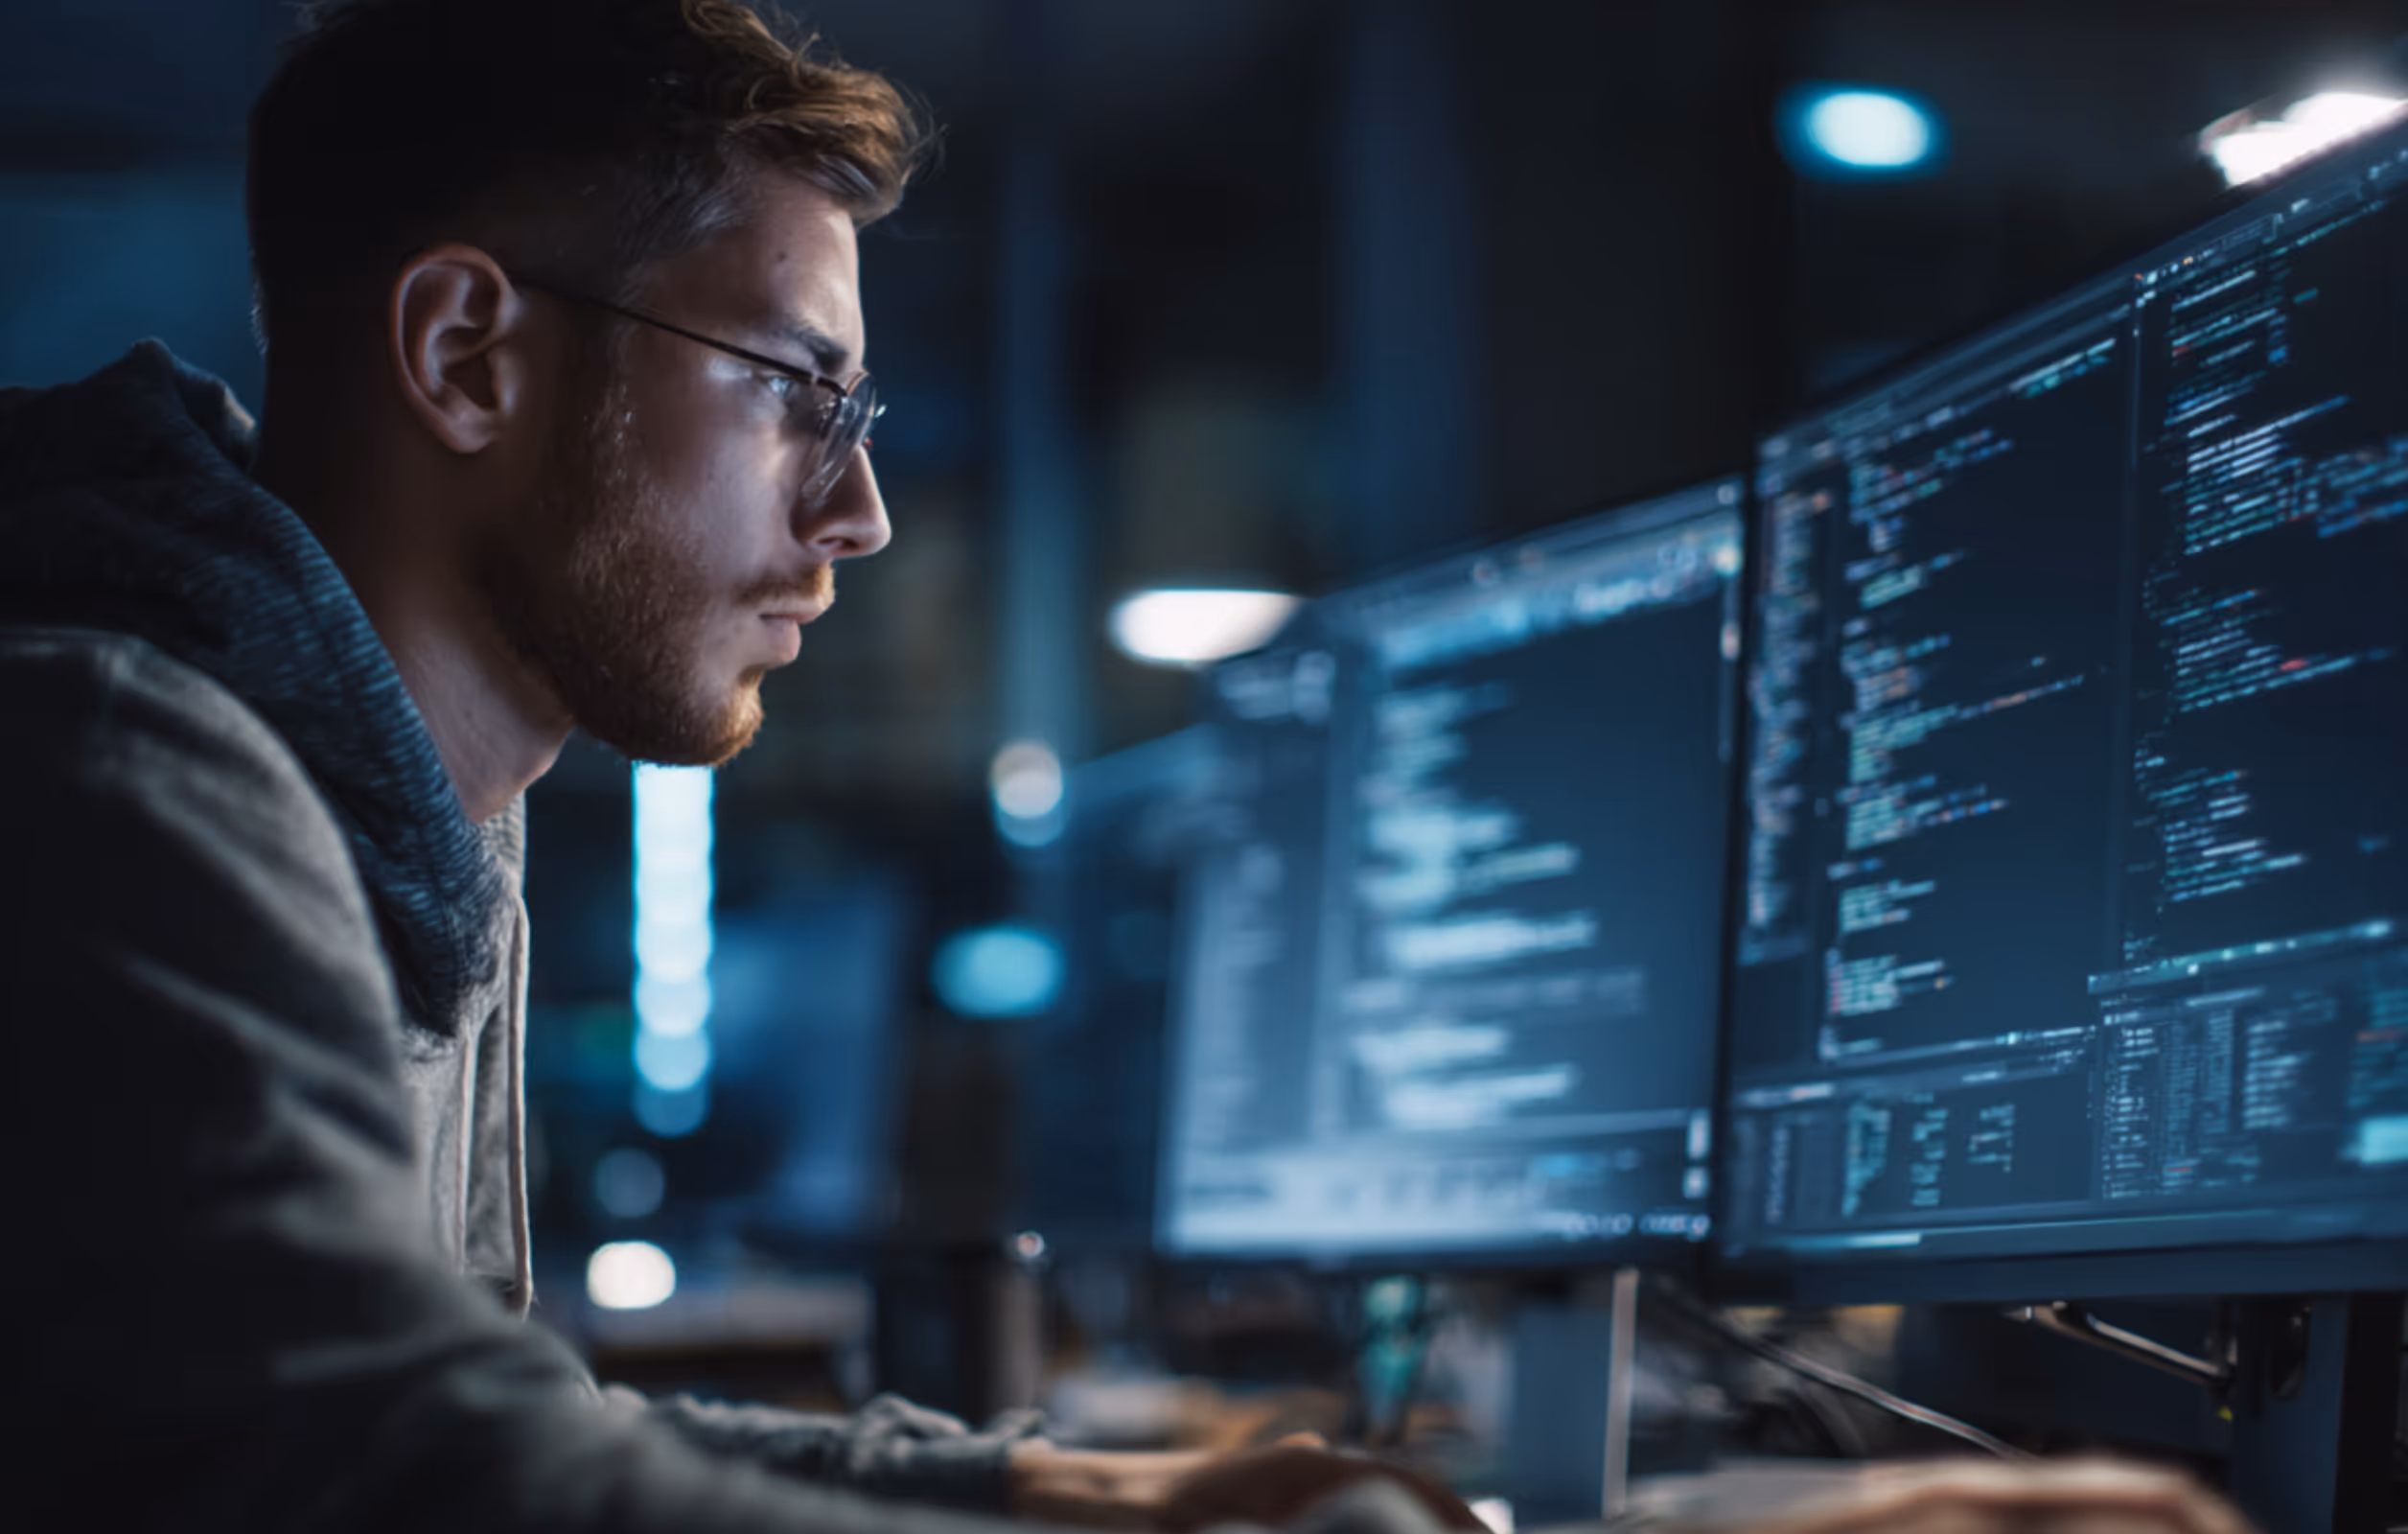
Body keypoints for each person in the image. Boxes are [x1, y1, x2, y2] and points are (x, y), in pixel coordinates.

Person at [0, 1, 2258, 1531]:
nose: (859, 514)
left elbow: (516, 1415)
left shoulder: (395, 806)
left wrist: (1101, 1488)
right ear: (468, 349)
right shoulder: (131, 769)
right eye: (798, 388)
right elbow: (401, 1473)